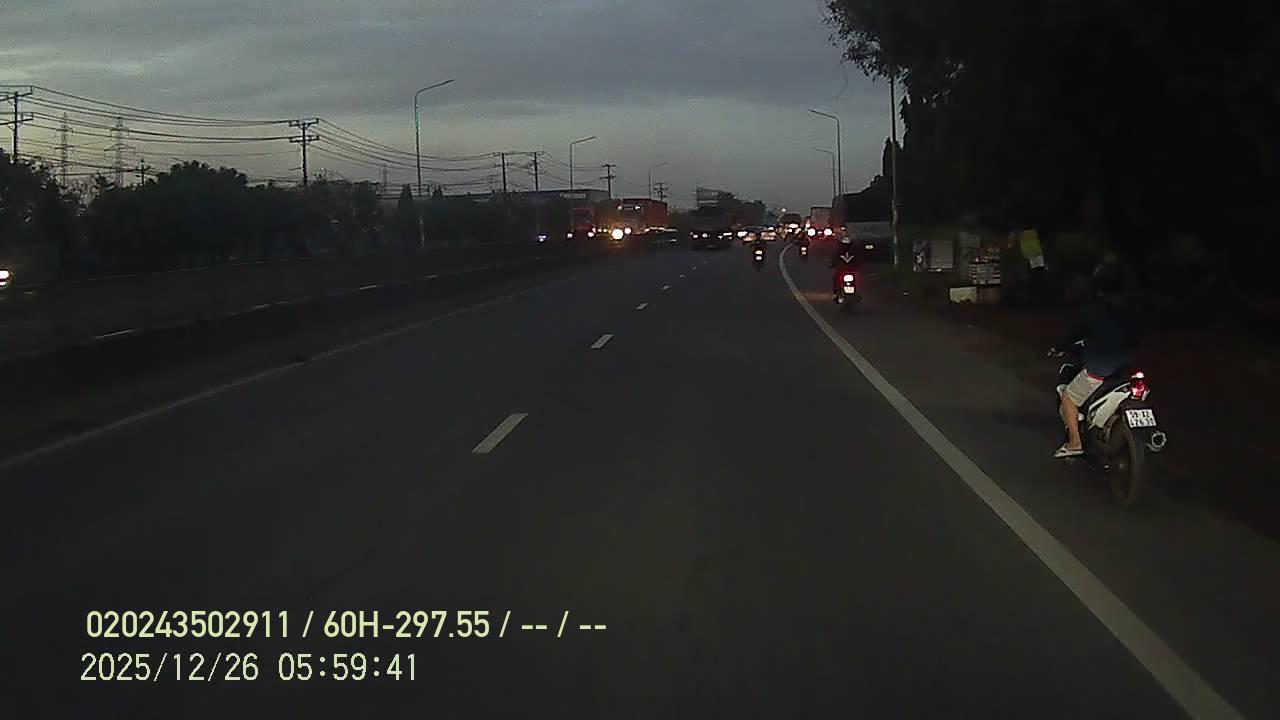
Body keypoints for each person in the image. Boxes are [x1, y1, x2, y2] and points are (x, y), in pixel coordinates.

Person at [1049, 260, 1142, 458]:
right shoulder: (1131, 307)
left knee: (1069, 398)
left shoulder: (1093, 310)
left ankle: (1074, 443)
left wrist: (1058, 347)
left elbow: (1073, 334)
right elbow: (1137, 335)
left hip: (1100, 367)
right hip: (1126, 365)